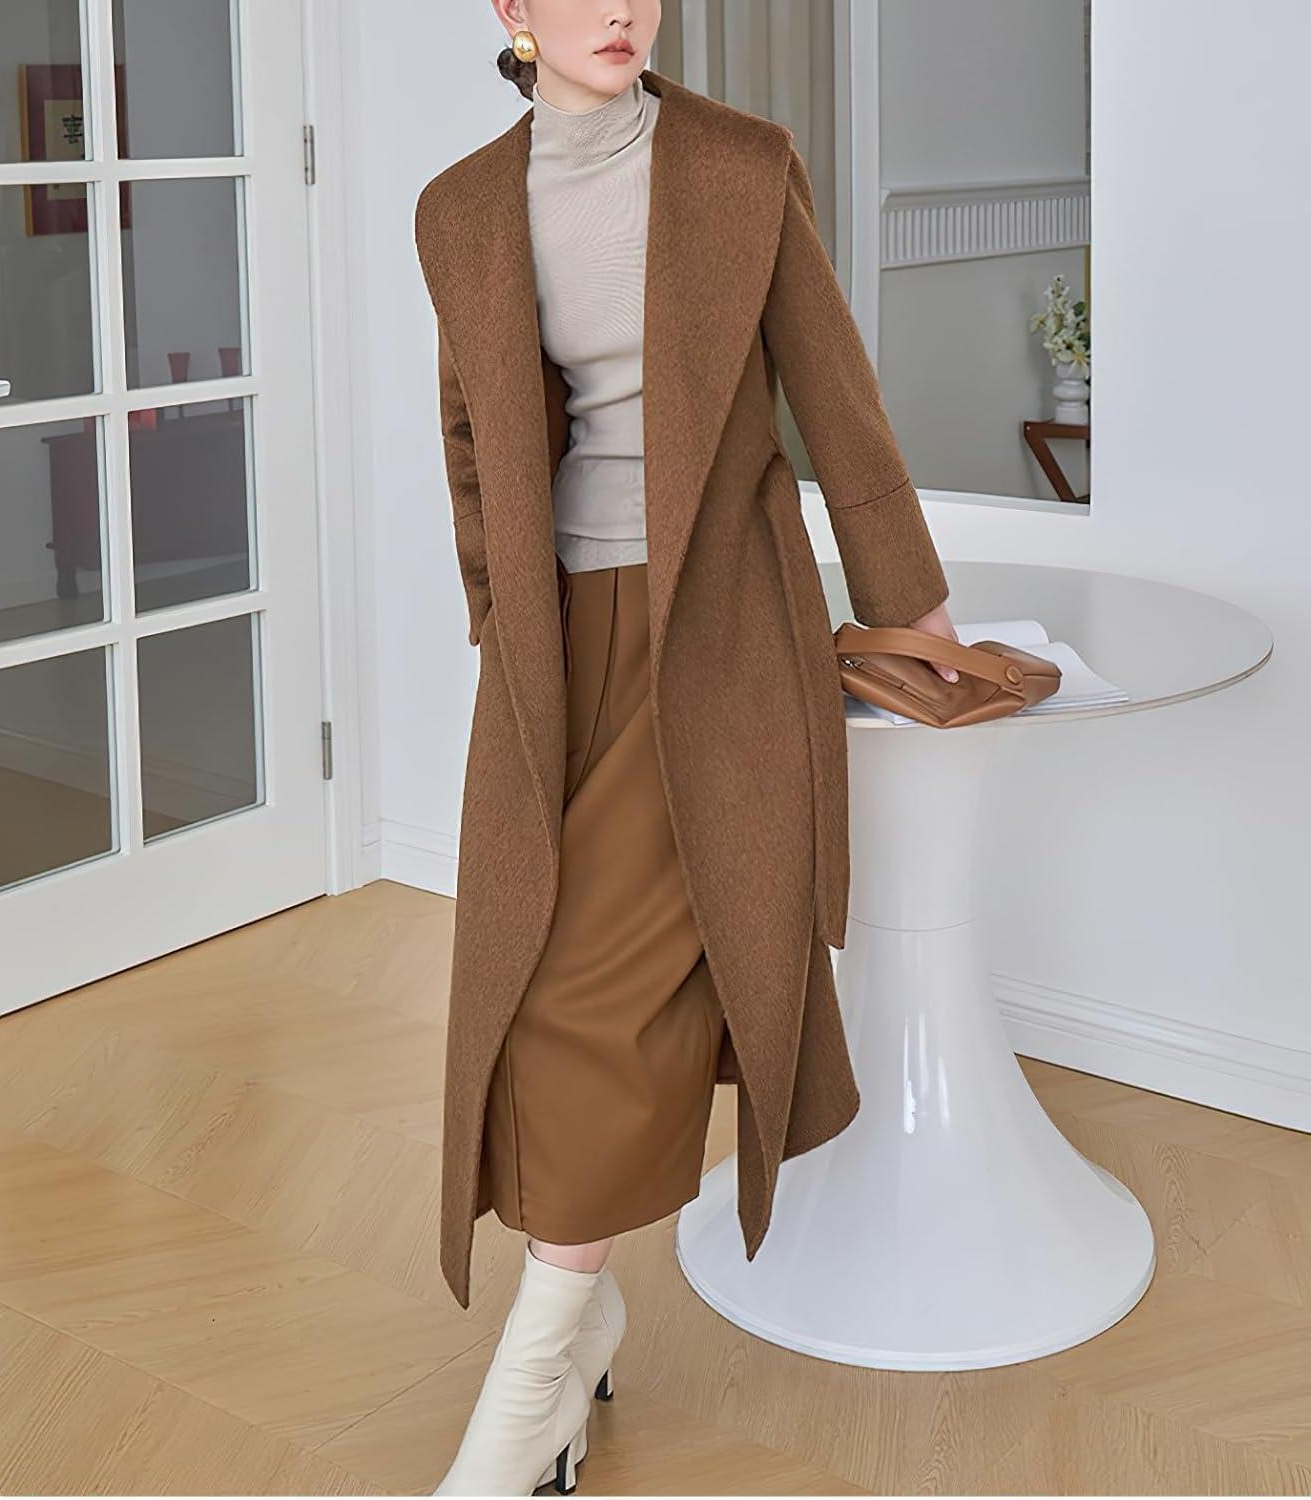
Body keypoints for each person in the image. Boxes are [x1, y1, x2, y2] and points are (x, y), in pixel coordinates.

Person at [418, 3, 960, 1492]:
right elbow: (472, 439)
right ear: (512, 12)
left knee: (598, 994)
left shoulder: (738, 163)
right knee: (532, 985)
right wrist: (497, 620)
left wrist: (915, 612)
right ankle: (584, 1327)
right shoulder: (460, 210)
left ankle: (532, 1378)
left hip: (718, 634)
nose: (620, 9)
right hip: (555, 652)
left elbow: (837, 401)